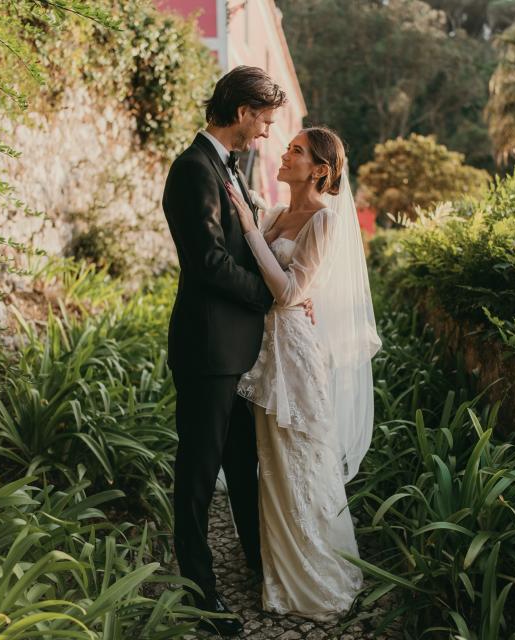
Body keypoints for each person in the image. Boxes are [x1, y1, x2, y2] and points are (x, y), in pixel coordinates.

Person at [161, 66, 313, 636]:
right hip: (207, 348)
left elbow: (251, 244)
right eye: (266, 122)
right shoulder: (191, 170)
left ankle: (257, 563)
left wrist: (291, 289)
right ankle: (200, 593)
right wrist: (268, 299)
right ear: (244, 111)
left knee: (243, 468)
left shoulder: (229, 168)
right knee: (198, 474)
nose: (266, 135)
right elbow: (207, 261)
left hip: (236, 351)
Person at [228, 127, 382, 621]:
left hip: (294, 354)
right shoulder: (276, 214)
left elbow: (290, 292)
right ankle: (281, 570)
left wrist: (252, 234)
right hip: (266, 347)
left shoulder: (325, 219)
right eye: (287, 146)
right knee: (271, 463)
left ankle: (316, 577)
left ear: (320, 169)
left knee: (300, 457)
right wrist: (253, 219)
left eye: (295, 150)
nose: (284, 153)